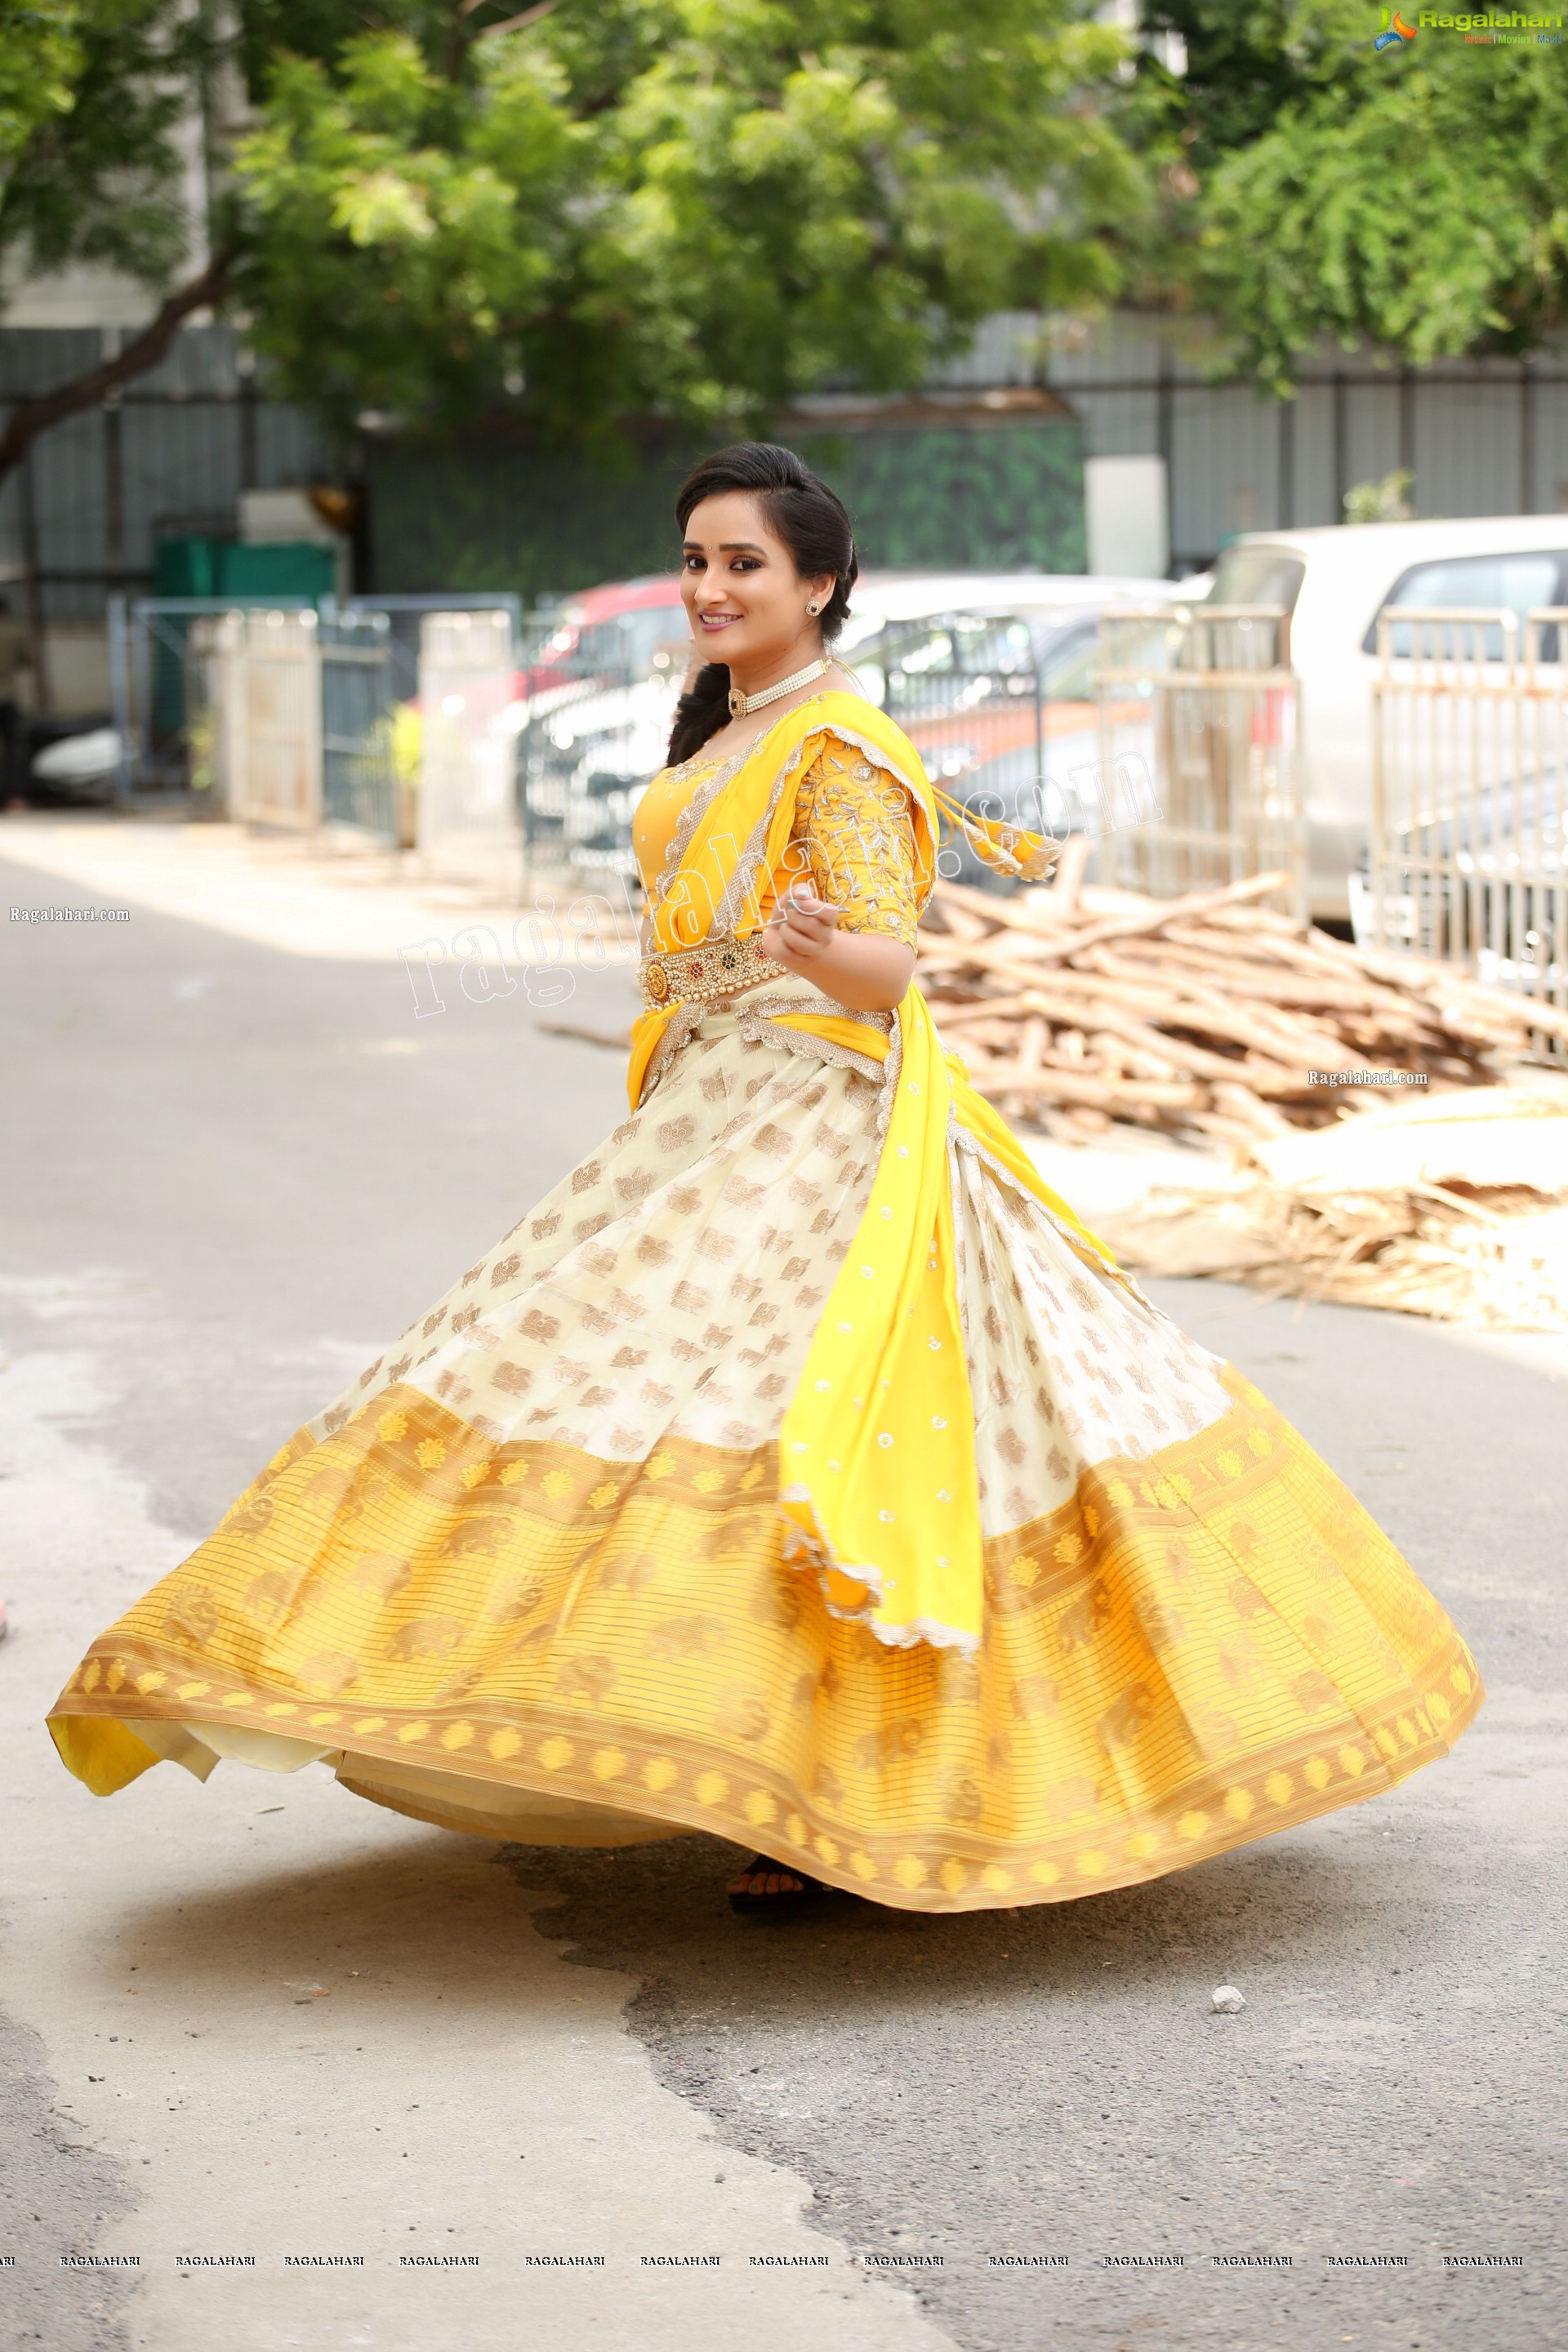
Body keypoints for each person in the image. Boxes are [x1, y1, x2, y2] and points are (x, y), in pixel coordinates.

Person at [47, 443, 1482, 1915]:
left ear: (821, 584)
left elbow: (887, 963)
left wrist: (811, 951)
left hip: (816, 1114)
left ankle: (846, 1790)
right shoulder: (726, 733)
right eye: (696, 560)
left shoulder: (840, 741)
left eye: (744, 563)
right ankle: (710, 1748)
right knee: (602, 1380)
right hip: (713, 1100)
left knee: (806, 1431)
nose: (711, 586)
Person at [0, 595, 32, 801]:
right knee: (13, 747)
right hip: (6, 696)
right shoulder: (15, 631)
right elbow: (26, 662)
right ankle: (15, 798)